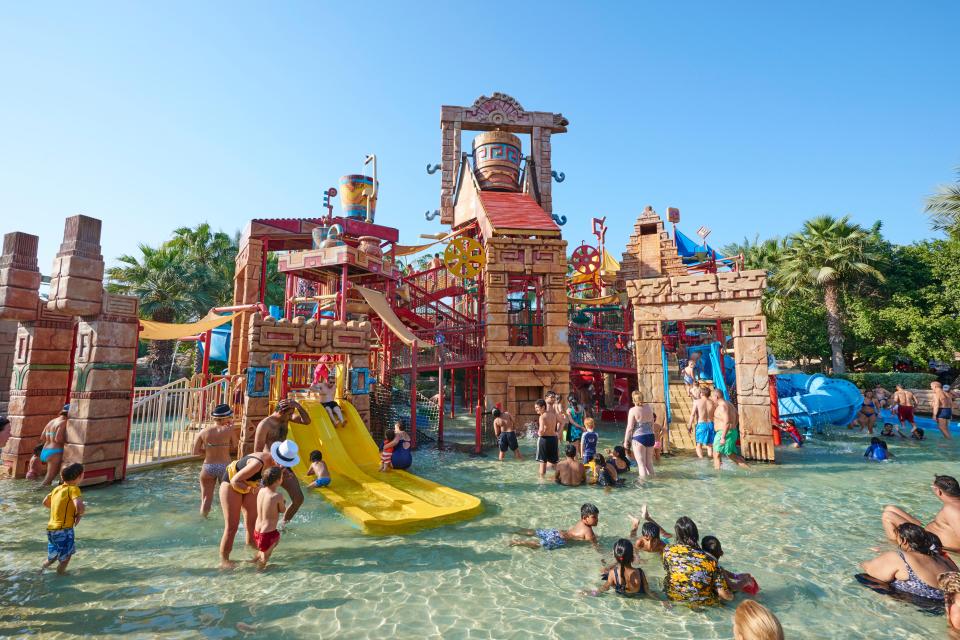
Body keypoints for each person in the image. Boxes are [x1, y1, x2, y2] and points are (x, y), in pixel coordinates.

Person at [218, 441, 280, 569]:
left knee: (252, 523)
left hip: (250, 484)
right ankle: (224, 560)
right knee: (232, 527)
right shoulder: (259, 462)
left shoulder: (277, 466)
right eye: (281, 462)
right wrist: (251, 490)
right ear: (275, 457)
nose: (282, 467)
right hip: (231, 482)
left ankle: (252, 552)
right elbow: (236, 481)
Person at [862, 522, 958, 601]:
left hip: (925, 604)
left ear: (904, 541)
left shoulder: (899, 557)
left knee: (864, 577)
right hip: (949, 602)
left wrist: (863, 562)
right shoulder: (943, 558)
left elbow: (869, 568)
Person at [254, 399, 310, 524]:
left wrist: (299, 407)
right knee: (261, 500)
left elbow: (307, 421)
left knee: (298, 499)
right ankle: (258, 525)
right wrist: (259, 473)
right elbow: (257, 450)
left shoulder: (286, 419)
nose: (291, 417)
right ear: (281, 412)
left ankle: (283, 524)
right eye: (290, 414)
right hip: (269, 466)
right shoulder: (265, 424)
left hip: (283, 463)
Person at [661, 516, 733, 605]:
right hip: (701, 602)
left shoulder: (668, 550)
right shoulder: (711, 560)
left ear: (678, 535)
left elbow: (668, 570)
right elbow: (723, 594)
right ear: (696, 534)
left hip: (673, 596)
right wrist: (732, 596)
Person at [882, 475, 960, 553]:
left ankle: (894, 549)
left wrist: (938, 549)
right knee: (890, 508)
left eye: (933, 488)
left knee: (887, 516)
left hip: (930, 542)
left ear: (938, 491)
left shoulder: (951, 509)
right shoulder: (953, 505)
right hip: (926, 533)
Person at [193, 403, 240, 517]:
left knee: (206, 499)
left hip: (208, 467)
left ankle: (203, 520)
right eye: (230, 417)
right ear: (226, 417)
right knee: (228, 497)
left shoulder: (203, 432)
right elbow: (236, 445)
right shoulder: (228, 431)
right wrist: (231, 430)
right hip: (225, 466)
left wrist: (209, 452)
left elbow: (195, 452)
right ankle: (226, 520)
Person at [40, 462, 85, 575]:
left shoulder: (57, 489)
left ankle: (41, 570)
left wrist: (59, 508)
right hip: (64, 529)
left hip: (51, 529)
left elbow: (45, 502)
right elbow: (79, 506)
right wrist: (79, 514)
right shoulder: (73, 489)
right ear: (80, 476)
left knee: (53, 556)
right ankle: (60, 574)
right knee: (66, 557)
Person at [510, 503, 599, 550]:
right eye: (594, 517)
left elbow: (573, 532)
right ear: (585, 518)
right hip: (559, 539)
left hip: (556, 532)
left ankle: (516, 530)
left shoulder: (580, 523)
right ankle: (518, 542)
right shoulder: (589, 532)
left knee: (536, 532)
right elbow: (594, 546)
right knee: (538, 545)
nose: (597, 519)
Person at [253, 466, 286, 570]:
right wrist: (283, 503)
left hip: (257, 530)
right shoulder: (277, 495)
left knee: (263, 550)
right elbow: (282, 510)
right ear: (277, 480)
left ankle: (253, 561)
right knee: (264, 559)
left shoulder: (261, 491)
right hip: (268, 533)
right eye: (282, 477)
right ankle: (259, 574)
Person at [623, 391, 655, 479]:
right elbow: (652, 423)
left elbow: (630, 428)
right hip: (651, 436)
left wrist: (626, 441)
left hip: (639, 437)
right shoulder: (649, 408)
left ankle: (644, 485)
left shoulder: (633, 410)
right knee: (649, 463)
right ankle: (654, 480)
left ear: (633, 400)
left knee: (641, 465)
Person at [714, 398, 749, 470]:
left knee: (716, 454)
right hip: (731, 431)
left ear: (716, 397)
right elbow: (737, 415)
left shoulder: (722, 406)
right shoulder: (730, 404)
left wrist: (723, 437)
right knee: (731, 454)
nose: (712, 399)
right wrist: (734, 427)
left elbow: (727, 422)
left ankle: (717, 476)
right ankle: (750, 470)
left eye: (712, 397)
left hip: (723, 433)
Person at [40, 405, 69, 486]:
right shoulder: (64, 422)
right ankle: (37, 492)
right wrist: (68, 442)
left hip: (45, 451)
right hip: (55, 452)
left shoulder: (52, 421)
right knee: (48, 479)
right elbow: (58, 439)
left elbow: (42, 437)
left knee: (48, 476)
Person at [535, 399, 561, 478]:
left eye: (537, 408)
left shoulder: (542, 417)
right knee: (555, 462)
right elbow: (563, 421)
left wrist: (538, 432)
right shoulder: (553, 415)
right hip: (553, 439)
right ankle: (558, 478)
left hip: (544, 440)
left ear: (543, 407)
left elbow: (542, 431)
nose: (536, 410)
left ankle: (542, 481)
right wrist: (558, 432)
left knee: (542, 462)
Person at [689, 386, 716, 459]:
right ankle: (711, 459)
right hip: (711, 424)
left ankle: (701, 460)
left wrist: (690, 425)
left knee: (699, 445)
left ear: (702, 394)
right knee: (710, 445)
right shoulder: (713, 403)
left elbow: (692, 414)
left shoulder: (697, 402)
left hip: (701, 424)